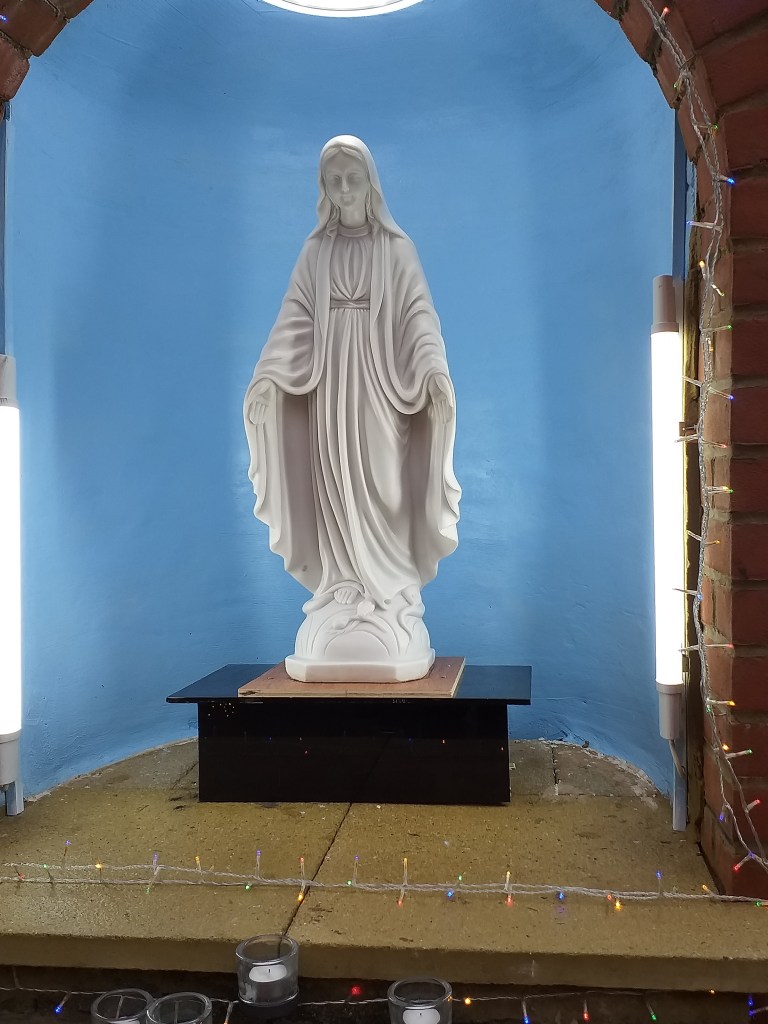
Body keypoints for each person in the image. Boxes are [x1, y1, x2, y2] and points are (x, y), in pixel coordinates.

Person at [244, 135, 460, 682]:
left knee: (383, 485)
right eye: (334, 180)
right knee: (334, 484)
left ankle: (389, 595)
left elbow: (418, 317)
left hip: (381, 385)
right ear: (325, 188)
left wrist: (432, 371)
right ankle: (342, 585)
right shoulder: (315, 253)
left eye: (353, 178)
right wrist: (270, 377)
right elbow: (295, 318)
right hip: (329, 387)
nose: (344, 189)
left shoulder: (396, 250)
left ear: (370, 183)